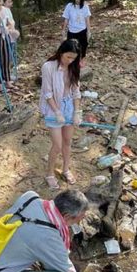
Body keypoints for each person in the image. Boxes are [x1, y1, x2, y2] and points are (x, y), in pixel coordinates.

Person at [40, 40, 82, 190]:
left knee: (67, 142)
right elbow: (47, 93)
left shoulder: (74, 68)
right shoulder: (48, 67)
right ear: (61, 52)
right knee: (57, 145)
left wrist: (77, 112)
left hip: (69, 106)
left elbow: (76, 92)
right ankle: (49, 174)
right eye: (68, 57)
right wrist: (57, 112)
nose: (70, 61)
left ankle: (65, 169)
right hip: (53, 108)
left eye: (73, 58)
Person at [62, 0, 91, 66]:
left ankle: (82, 59)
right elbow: (66, 19)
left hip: (82, 30)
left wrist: (89, 31)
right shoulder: (69, 6)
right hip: (72, 31)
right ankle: (72, 61)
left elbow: (87, 19)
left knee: (83, 46)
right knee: (71, 47)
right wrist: (63, 30)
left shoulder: (85, 6)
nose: (78, 1)